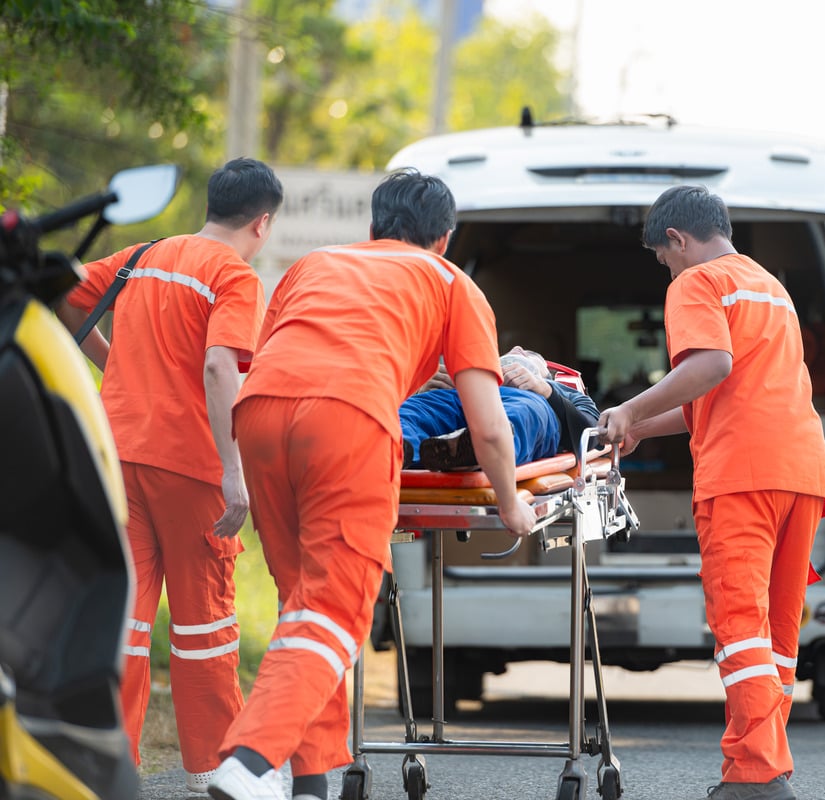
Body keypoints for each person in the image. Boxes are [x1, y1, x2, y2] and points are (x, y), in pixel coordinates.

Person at [206, 168, 536, 800]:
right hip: (348, 418)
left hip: (260, 412)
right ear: (445, 239)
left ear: (372, 229)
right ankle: (250, 761)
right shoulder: (452, 283)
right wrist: (511, 505)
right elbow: (491, 428)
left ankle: (310, 782)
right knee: (337, 606)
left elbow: (277, 349)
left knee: (303, 604)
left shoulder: (314, 263)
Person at [597, 185, 825, 800]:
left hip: (743, 476)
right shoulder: (769, 287)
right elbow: (719, 390)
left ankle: (756, 777)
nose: (666, 270)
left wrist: (623, 406)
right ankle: (765, 766)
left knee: (739, 624)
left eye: (662, 258)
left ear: (676, 240)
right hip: (803, 474)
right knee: (776, 636)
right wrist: (639, 428)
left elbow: (709, 367)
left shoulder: (696, 283)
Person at [55, 158, 284, 793]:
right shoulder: (234, 276)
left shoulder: (143, 256)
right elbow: (220, 369)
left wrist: (113, 367)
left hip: (118, 454)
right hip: (190, 469)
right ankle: (216, 768)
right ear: (262, 223)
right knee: (204, 625)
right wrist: (234, 474)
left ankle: (109, 761)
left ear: (212, 204)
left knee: (123, 620)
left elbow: (66, 294)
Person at [401, 346, 600, 470]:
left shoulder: (556, 391)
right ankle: (397, 446)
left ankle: (478, 448)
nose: (517, 348)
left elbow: (591, 434)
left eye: (529, 354)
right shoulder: (465, 374)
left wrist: (544, 391)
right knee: (413, 410)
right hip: (461, 394)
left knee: (525, 412)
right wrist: (420, 390)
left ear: (545, 373)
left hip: (527, 401)